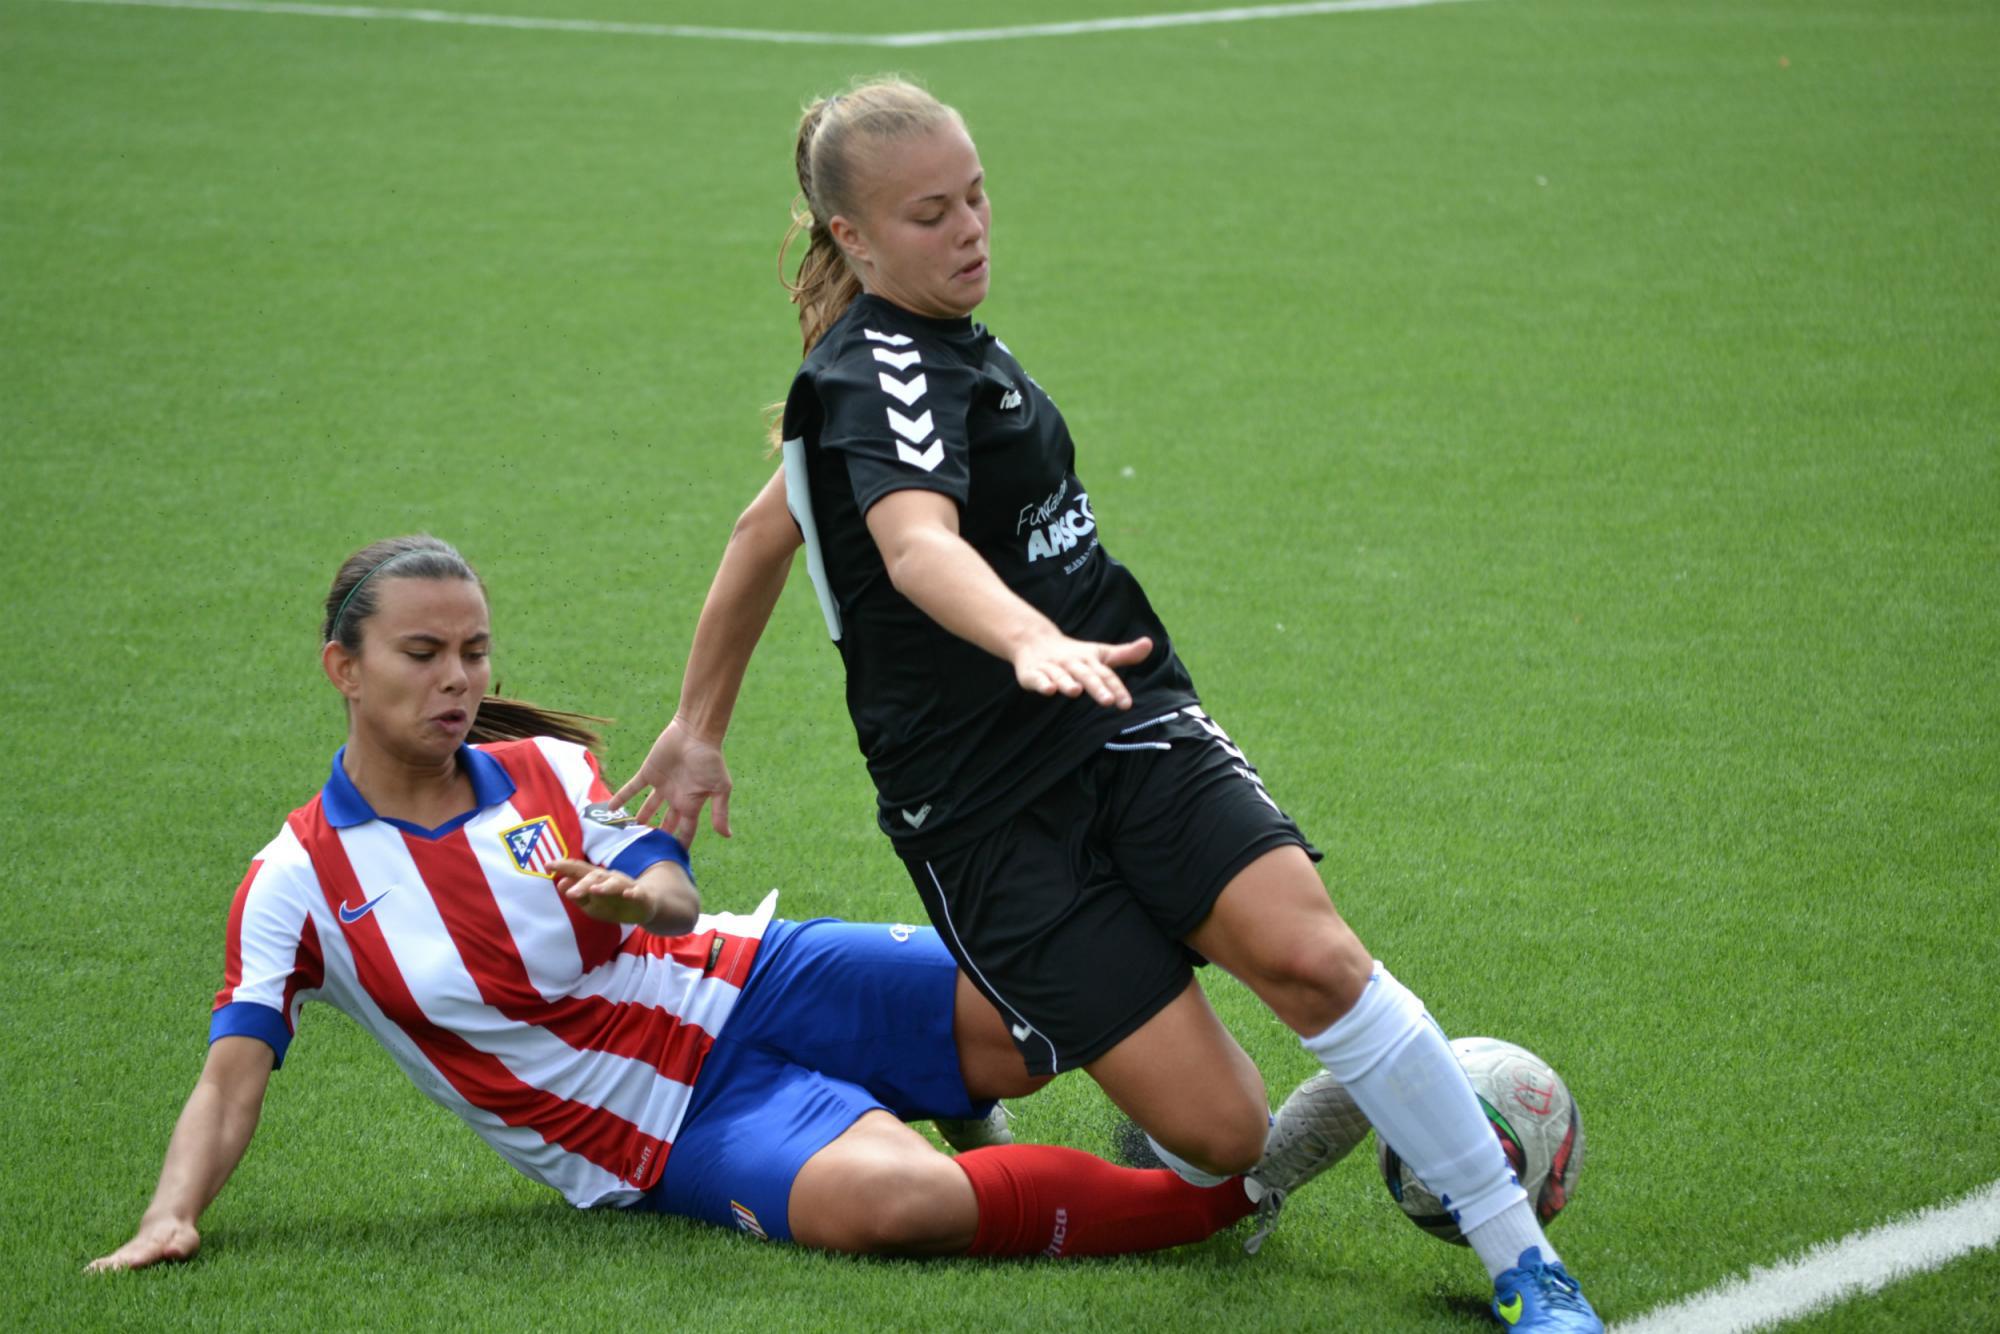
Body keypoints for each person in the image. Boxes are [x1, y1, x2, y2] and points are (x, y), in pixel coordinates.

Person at [613, 81, 1600, 1330]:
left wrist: (699, 725)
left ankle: (1524, 1264)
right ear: (851, 238)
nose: (970, 228)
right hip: (981, 812)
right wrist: (1024, 633)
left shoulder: (927, 348)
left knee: (1314, 959)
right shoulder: (874, 376)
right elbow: (914, 547)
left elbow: (768, 529)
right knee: (1220, 1126)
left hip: (1118, 714)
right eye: (929, 213)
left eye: (976, 194)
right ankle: (1150, 1134)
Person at [88, 535, 1367, 1275]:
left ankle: (1025, 1109)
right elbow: (231, 1073)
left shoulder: (543, 770)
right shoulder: (299, 877)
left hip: (754, 973)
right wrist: (173, 1209)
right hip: (655, 1124)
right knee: (903, 1207)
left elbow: (661, 876)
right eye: (421, 654)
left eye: (473, 649)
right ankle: (1223, 1202)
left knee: (1047, 999)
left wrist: (644, 897)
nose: (458, 678)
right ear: (342, 668)